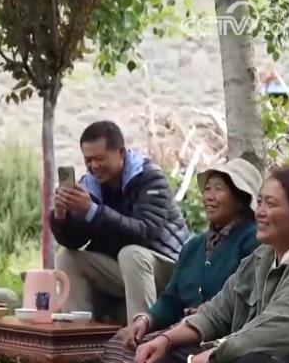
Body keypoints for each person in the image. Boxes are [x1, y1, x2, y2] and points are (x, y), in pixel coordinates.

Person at [135, 168, 289, 363]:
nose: (260, 212)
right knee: (167, 352)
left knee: (253, 360)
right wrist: (165, 339)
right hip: (255, 350)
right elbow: (218, 311)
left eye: (271, 204)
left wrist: (212, 355)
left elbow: (269, 331)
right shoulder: (262, 257)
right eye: (260, 202)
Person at [101, 158, 262, 362]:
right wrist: (145, 319)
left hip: (218, 336)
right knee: (117, 347)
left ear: (240, 199)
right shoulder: (193, 246)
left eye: (218, 189)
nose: (209, 197)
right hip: (183, 331)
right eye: (207, 189)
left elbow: (241, 302)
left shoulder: (253, 240)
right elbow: (172, 299)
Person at [52, 120, 191, 324]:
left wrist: (92, 210)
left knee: (131, 253)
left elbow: (144, 232)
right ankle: (79, 335)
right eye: (88, 160)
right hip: (126, 267)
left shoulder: (150, 178)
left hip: (169, 267)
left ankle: (141, 335)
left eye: (99, 158)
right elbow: (75, 240)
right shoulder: (90, 185)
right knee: (67, 257)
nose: (94, 166)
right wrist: (61, 215)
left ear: (121, 152)